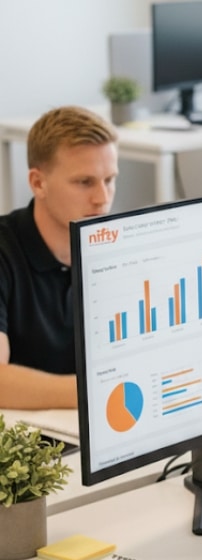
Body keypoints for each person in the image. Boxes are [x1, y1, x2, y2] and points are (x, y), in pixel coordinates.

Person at [0, 105, 118, 410]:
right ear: (38, 183)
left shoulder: (118, 248)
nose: (102, 199)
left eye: (109, 180)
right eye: (84, 182)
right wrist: (99, 390)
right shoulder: (4, 251)